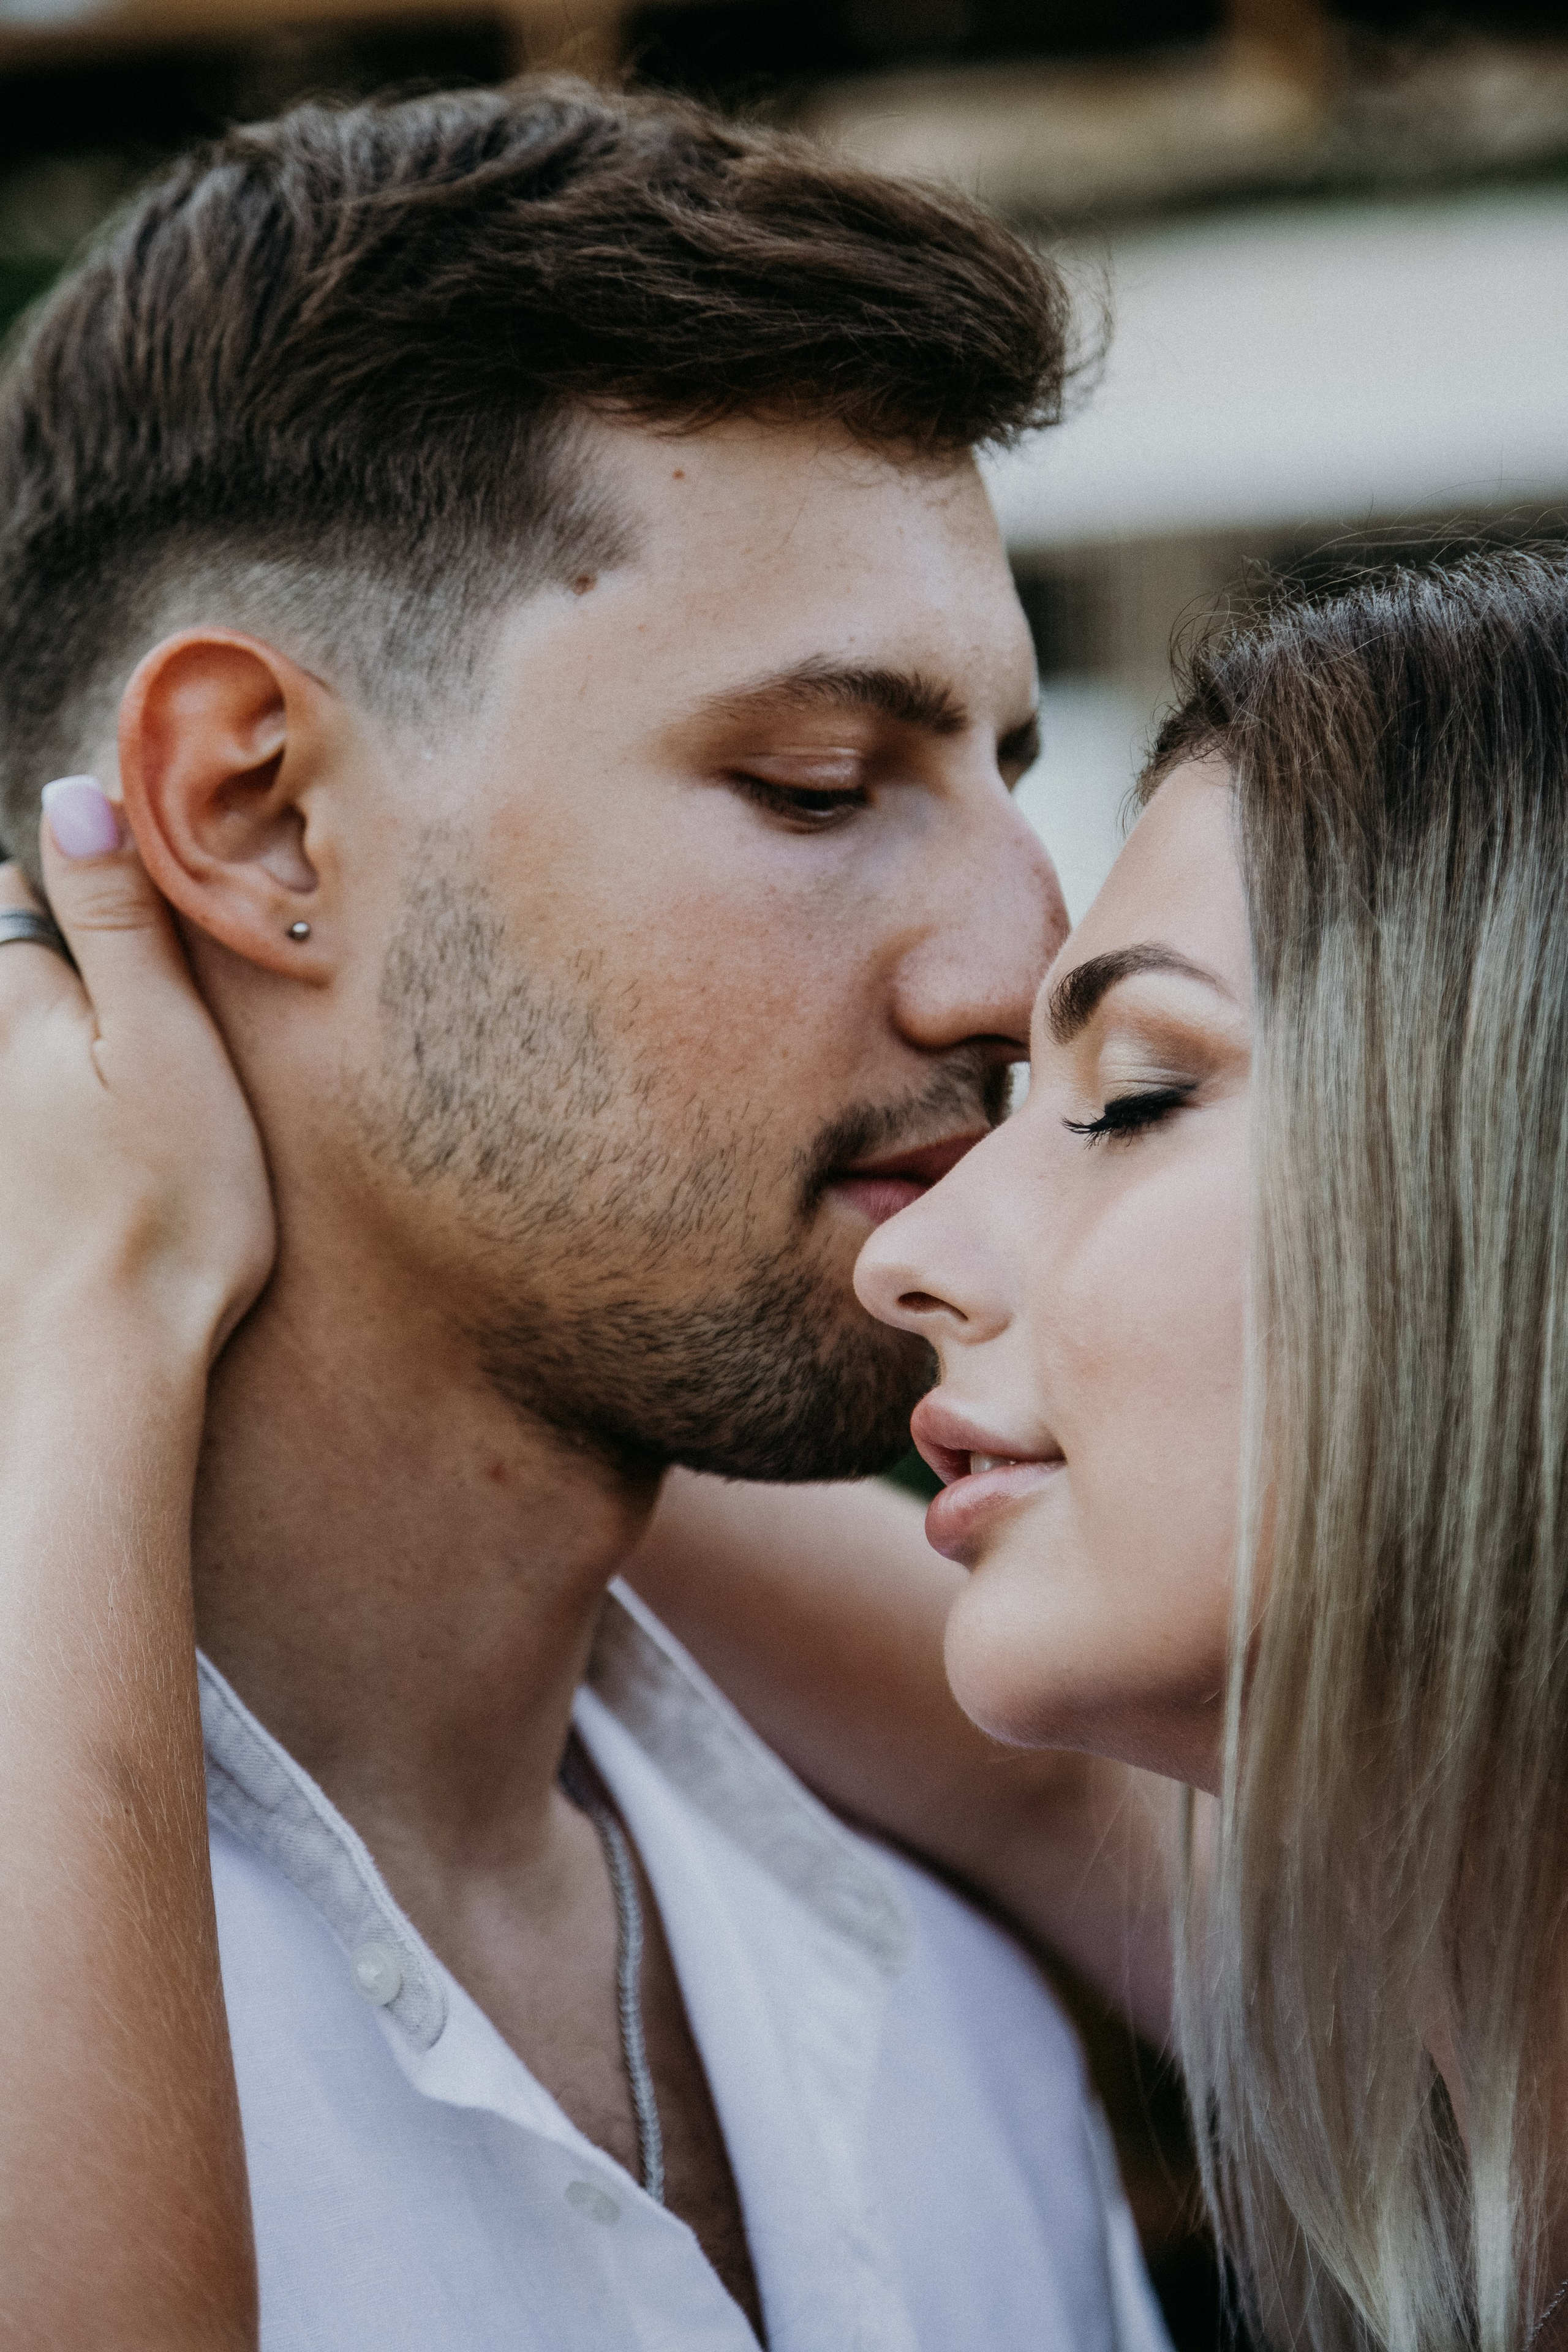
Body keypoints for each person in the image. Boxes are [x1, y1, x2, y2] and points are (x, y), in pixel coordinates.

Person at [0, 75, 1170, 2352]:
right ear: (256, 815)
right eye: (817, 785)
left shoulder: (955, 2016)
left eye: (1004, 776)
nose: (1019, 967)